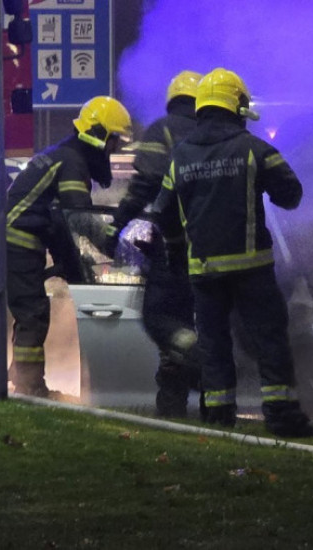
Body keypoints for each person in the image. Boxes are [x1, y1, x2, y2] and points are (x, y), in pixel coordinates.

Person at [153, 67, 313, 437]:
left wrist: (179, 249)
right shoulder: (254, 149)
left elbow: (162, 211)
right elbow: (291, 195)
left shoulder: (180, 156)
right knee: (269, 340)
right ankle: (282, 416)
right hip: (252, 270)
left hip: (204, 273)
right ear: (236, 105)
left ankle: (218, 419)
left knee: (213, 346)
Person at [5, 95, 132, 397]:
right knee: (33, 313)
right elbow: (80, 218)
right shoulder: (72, 163)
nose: (114, 149)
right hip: (18, 241)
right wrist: (118, 247)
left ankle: (21, 377)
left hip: (20, 239)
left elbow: (60, 220)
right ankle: (30, 388)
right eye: (114, 141)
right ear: (100, 135)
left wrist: (72, 264)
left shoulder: (64, 155)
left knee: (30, 311)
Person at [110, 70, 203, 417]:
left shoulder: (162, 129)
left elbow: (147, 182)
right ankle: (212, 412)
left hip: (177, 248)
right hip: (223, 250)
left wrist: (119, 222)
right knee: (206, 322)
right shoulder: (217, 135)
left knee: (160, 318)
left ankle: (177, 400)